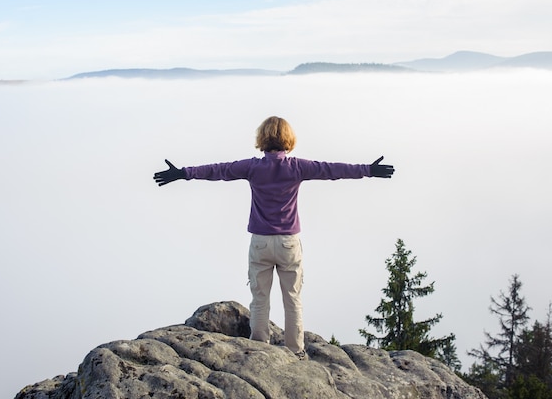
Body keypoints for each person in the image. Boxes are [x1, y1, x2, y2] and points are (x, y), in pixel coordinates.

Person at [153, 116, 394, 359]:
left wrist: (184, 173)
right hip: (289, 242)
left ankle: (260, 348)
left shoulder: (253, 167)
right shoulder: (297, 167)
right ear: (288, 140)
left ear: (262, 139)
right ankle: (295, 351)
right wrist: (368, 170)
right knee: (292, 299)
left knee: (259, 300)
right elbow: (331, 169)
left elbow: (218, 170)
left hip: (260, 242)